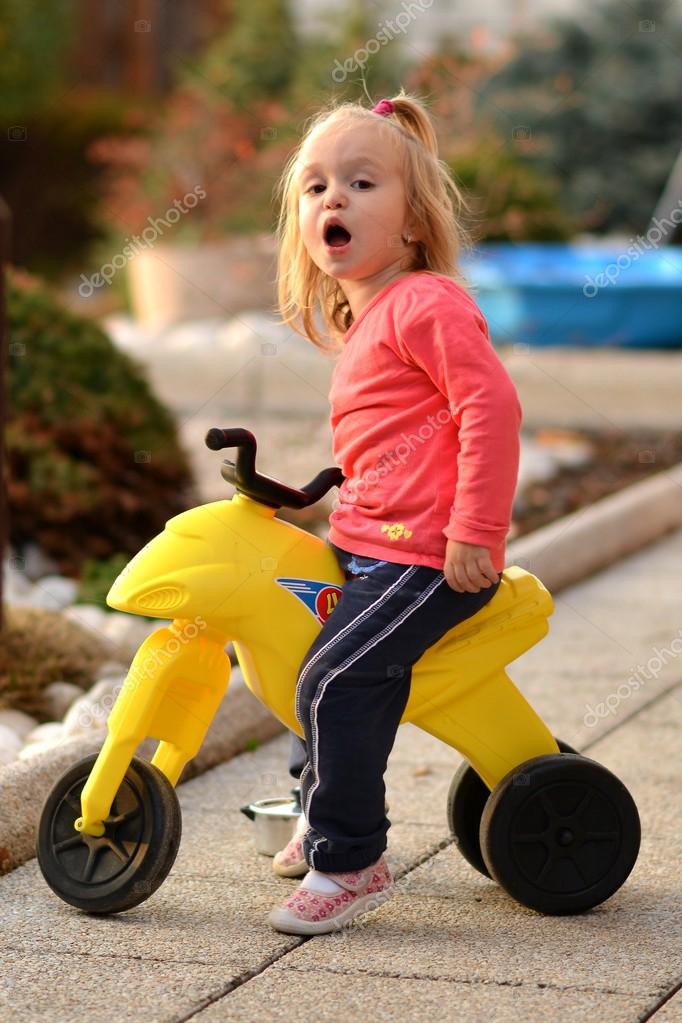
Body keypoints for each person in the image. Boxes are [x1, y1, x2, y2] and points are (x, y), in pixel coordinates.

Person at [266, 89, 522, 935]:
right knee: (300, 657)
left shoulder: (427, 303)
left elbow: (491, 411)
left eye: (362, 183)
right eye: (315, 187)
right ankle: (318, 805)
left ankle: (352, 857)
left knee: (333, 676)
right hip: (374, 552)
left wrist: (475, 531)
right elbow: (389, 437)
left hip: (429, 560)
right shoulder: (365, 315)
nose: (332, 198)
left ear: (414, 222)